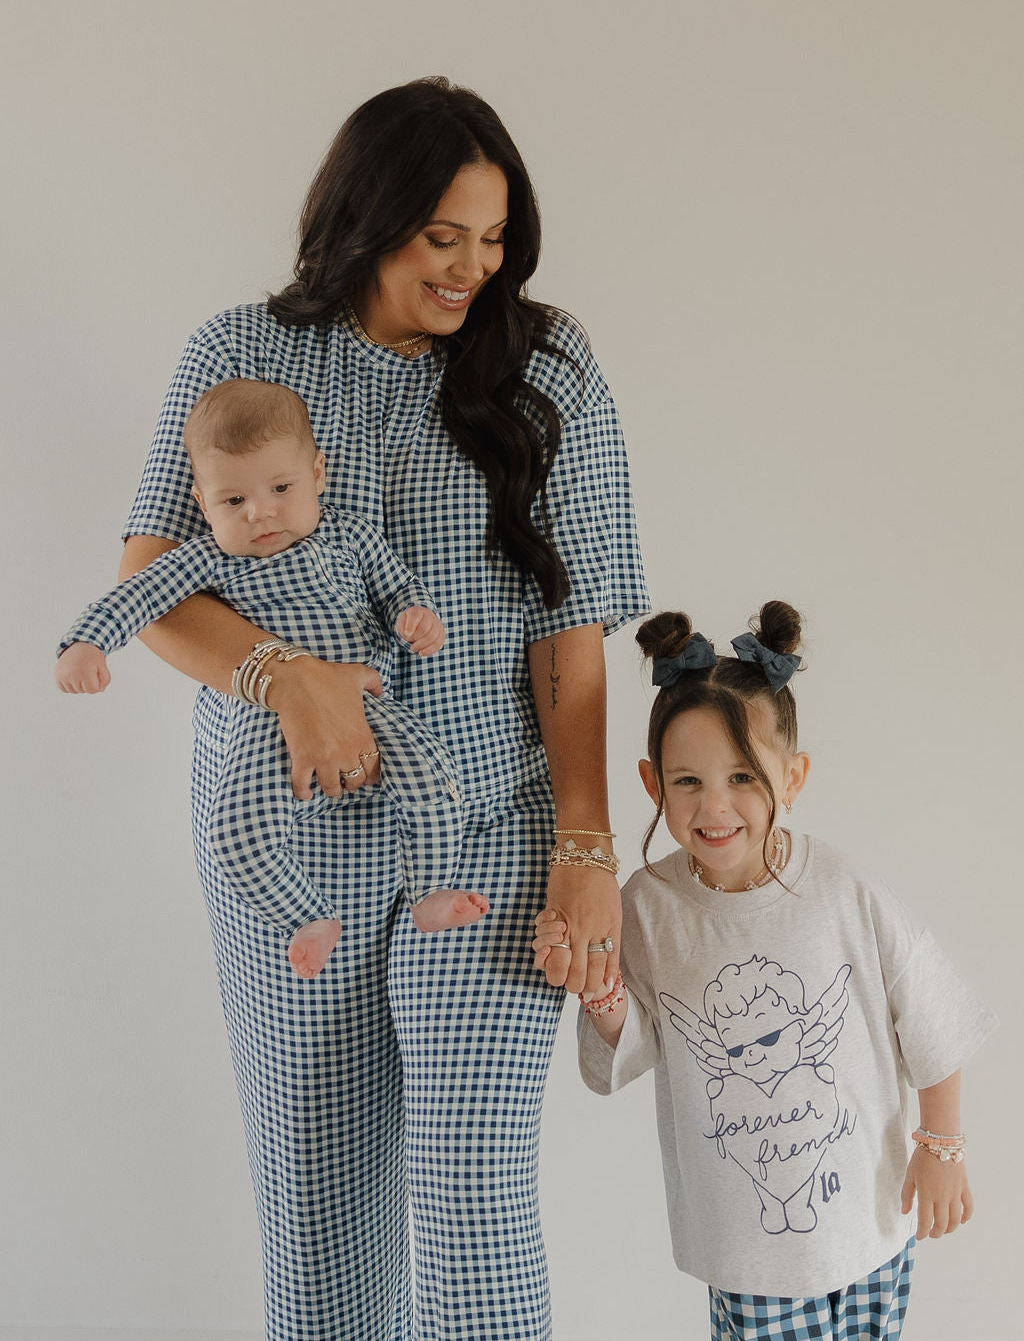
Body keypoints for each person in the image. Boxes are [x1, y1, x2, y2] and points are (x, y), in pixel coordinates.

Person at [115, 77, 648, 1341]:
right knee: (318, 1209)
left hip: (488, 820)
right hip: (287, 845)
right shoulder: (239, 356)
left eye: (494, 238)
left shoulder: (546, 361)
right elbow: (150, 582)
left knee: (471, 1206)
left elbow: (573, 625)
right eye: (440, 238)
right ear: (367, 217)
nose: (472, 269)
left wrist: (587, 846)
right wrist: (281, 677)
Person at [535, 602, 996, 1341]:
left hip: (873, 1224)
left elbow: (933, 1017)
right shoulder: (649, 908)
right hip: (750, 1255)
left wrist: (941, 1147)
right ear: (653, 785)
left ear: (794, 774)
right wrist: (604, 993)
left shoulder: (845, 891)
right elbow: (635, 1043)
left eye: (743, 777)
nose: (715, 807)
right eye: (688, 782)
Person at [57, 378, 489, 978]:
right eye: (232, 501)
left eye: (280, 488)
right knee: (233, 835)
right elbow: (140, 594)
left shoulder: (352, 536)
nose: (259, 511)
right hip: (265, 723)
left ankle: (431, 893)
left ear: (318, 474)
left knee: (435, 778)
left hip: (363, 702)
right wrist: (87, 642)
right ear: (203, 505)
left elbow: (397, 589)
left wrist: (416, 617)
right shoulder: (209, 556)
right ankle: (305, 917)